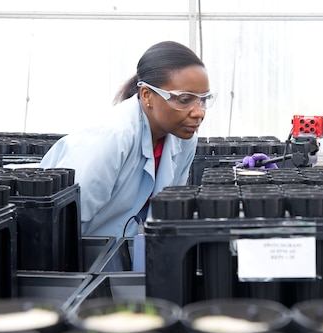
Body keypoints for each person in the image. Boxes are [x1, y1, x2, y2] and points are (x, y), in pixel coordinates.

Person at [40, 41, 215, 239]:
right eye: (184, 100)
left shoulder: (184, 139)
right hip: (74, 248)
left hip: (121, 250)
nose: (199, 112)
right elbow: (67, 220)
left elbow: (167, 211)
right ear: (147, 95)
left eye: (204, 99)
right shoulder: (112, 137)